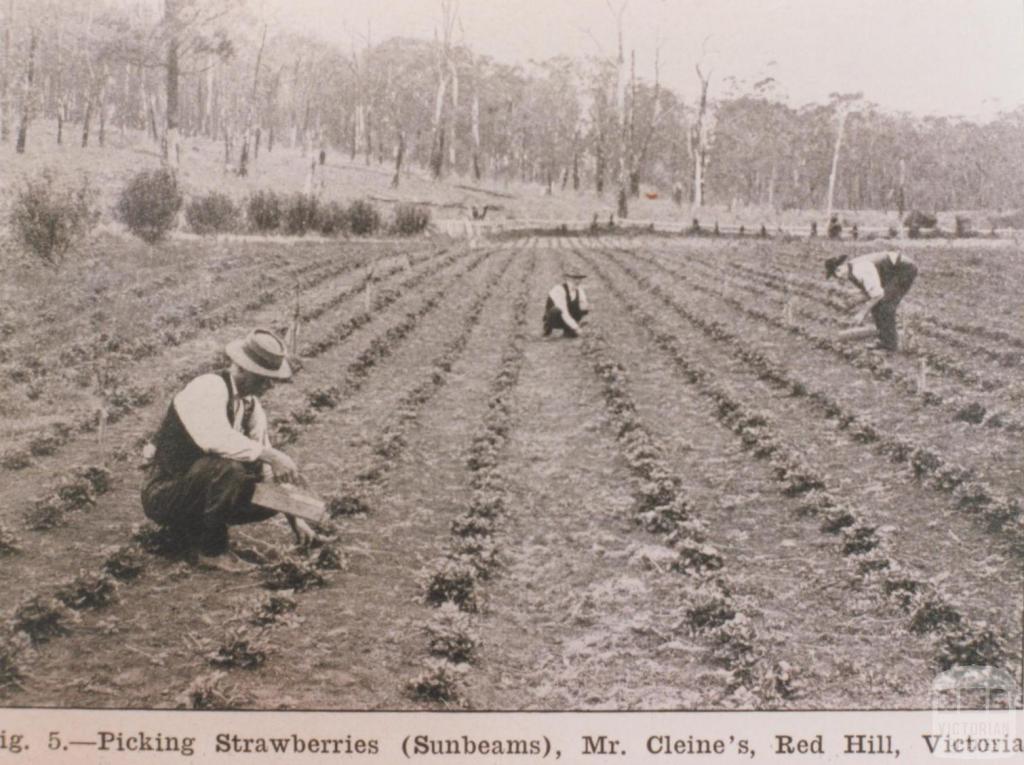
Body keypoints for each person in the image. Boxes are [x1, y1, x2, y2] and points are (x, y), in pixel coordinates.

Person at [141, 328, 317, 571]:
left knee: (265, 494)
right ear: (241, 368)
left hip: (195, 487)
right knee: (226, 469)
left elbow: (267, 468)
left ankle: (191, 532)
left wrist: (295, 518)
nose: (268, 385)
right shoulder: (208, 387)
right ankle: (212, 551)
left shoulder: (250, 405)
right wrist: (273, 455)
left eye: (271, 379)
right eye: (262, 377)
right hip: (165, 492)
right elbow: (214, 439)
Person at [825, 251, 918, 351]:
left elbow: (877, 295)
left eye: (835, 276)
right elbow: (869, 291)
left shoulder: (860, 270)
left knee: (885, 306)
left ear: (838, 270)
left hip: (903, 270)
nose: (838, 279)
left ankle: (889, 346)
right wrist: (853, 301)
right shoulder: (850, 270)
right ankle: (884, 339)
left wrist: (861, 313)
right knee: (877, 305)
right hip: (890, 271)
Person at [542, 273, 590, 339]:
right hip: (554, 318)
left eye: (579, 278)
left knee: (583, 307)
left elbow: (585, 305)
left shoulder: (579, 290)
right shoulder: (559, 290)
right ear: (568, 279)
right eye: (575, 278)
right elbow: (564, 312)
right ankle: (548, 327)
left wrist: (585, 321)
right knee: (556, 310)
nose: (578, 281)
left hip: (568, 315)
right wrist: (576, 328)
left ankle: (568, 329)